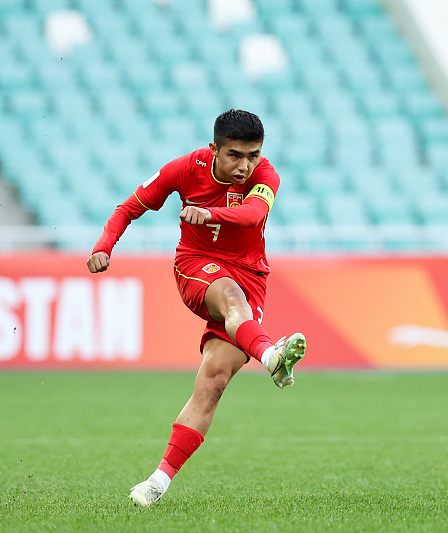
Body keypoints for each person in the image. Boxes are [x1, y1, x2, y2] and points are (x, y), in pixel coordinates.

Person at [86, 109, 306, 507]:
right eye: (235, 155)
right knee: (230, 298)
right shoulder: (186, 169)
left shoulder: (265, 175)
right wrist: (104, 246)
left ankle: (156, 483)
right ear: (214, 150)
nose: (245, 166)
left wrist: (210, 212)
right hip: (196, 264)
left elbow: (253, 214)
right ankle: (273, 357)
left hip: (251, 274)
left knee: (214, 381)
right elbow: (128, 207)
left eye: (253, 155)